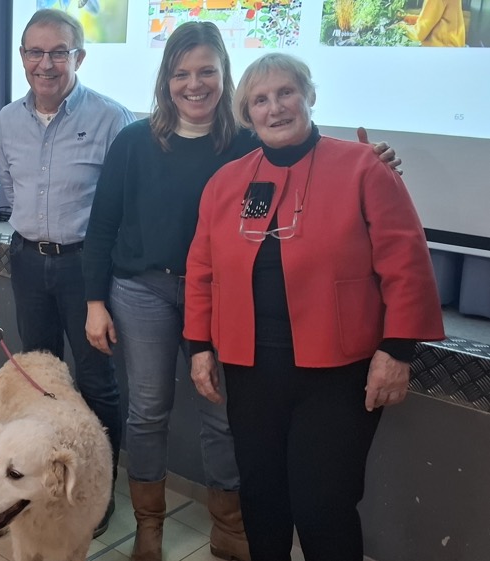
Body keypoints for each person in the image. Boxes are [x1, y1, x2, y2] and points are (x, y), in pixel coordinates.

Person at [84, 22, 403, 561]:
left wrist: (373, 163)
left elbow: (306, 158)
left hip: (225, 297)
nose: (195, 83)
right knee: (148, 410)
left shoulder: (249, 140)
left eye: (207, 70)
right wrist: (96, 300)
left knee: (221, 417)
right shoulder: (134, 140)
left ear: (224, 76)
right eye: (182, 72)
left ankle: (229, 528)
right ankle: (150, 526)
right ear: (166, 80)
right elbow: (103, 226)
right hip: (144, 291)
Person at [184, 52, 444, 561]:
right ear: (247, 113)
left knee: (323, 505)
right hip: (250, 368)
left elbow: (406, 263)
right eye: (260, 99)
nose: (275, 108)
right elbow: (202, 271)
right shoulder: (226, 183)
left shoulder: (364, 168)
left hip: (337, 375)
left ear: (309, 96)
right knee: (261, 498)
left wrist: (397, 350)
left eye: (286, 93)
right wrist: (199, 346)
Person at [0, 8, 134, 535]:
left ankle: (97, 491)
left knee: (97, 384)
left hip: (87, 269)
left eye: (58, 52)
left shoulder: (112, 118)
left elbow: (124, 205)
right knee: (42, 382)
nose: (45, 63)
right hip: (29, 261)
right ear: (23, 56)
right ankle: (48, 485)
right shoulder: (7, 118)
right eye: (35, 52)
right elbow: (7, 191)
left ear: (79, 56)